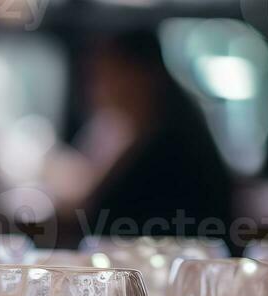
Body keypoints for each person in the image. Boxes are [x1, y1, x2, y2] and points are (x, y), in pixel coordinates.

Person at [75, 30, 233, 242]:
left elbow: (105, 212)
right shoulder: (154, 131)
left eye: (108, 74)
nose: (98, 87)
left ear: (142, 75)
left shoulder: (171, 147)